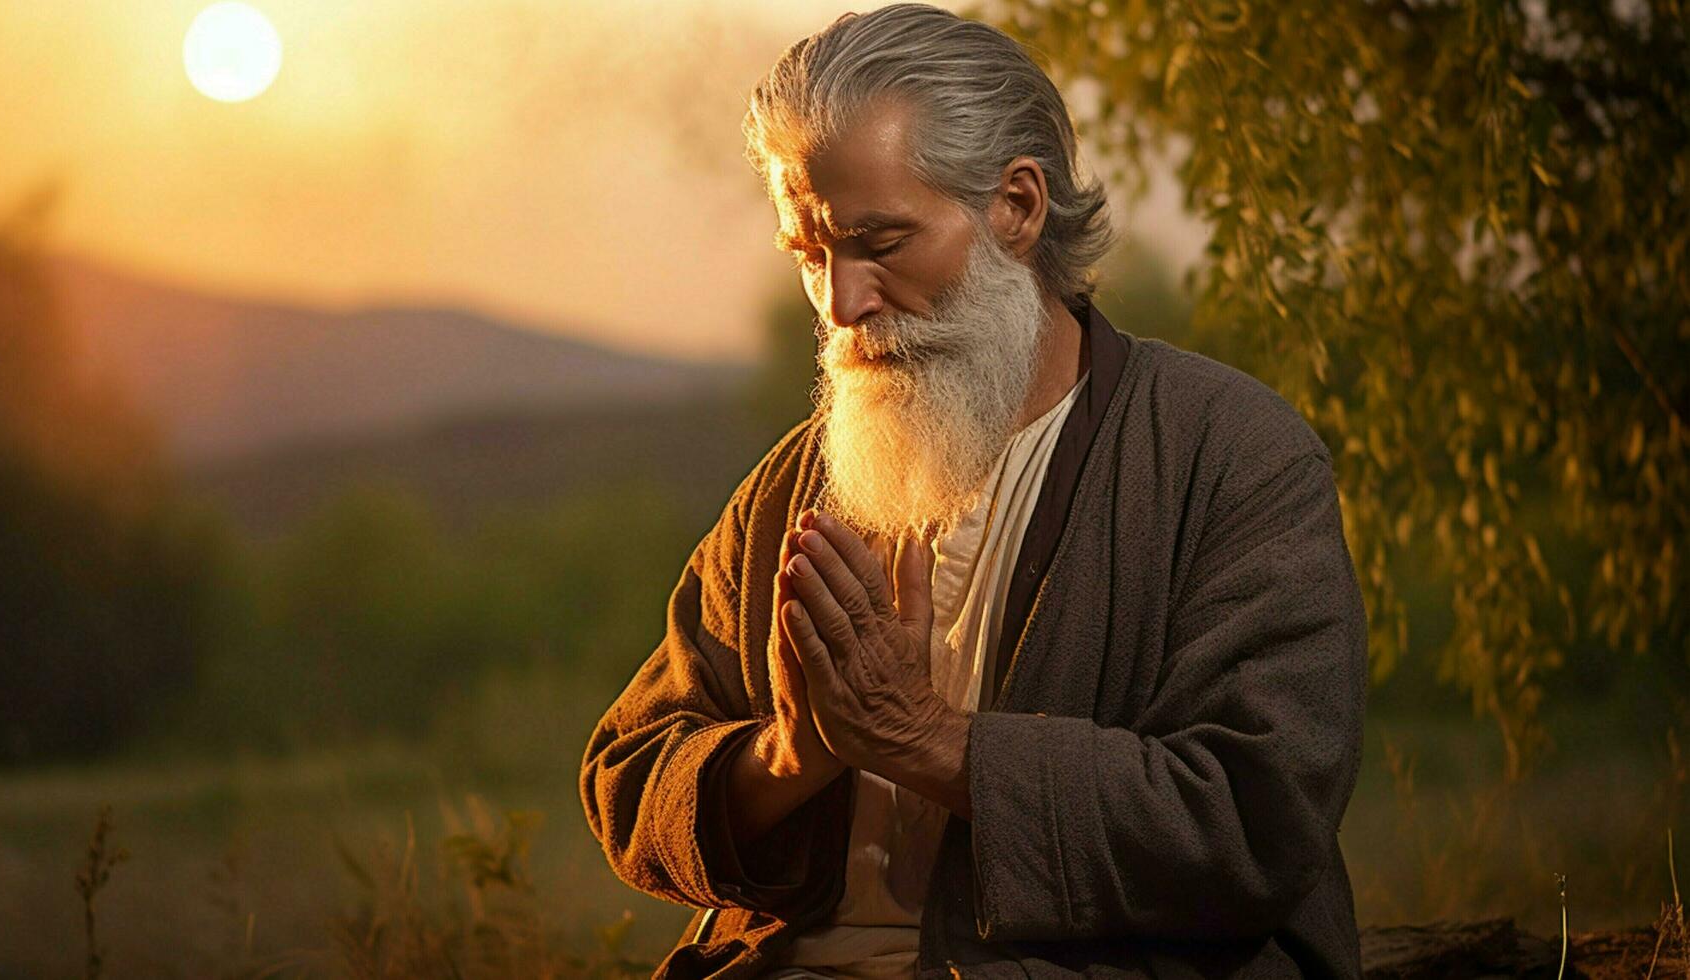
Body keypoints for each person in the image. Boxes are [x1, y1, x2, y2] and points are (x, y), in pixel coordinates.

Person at [579, 5, 1368, 977]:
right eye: (809, 252)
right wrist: (790, 754)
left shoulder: (1231, 456)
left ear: (1019, 208)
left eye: (880, 241)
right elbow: (626, 780)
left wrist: (925, 742)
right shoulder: (790, 485)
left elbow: (1257, 814)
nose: (841, 303)